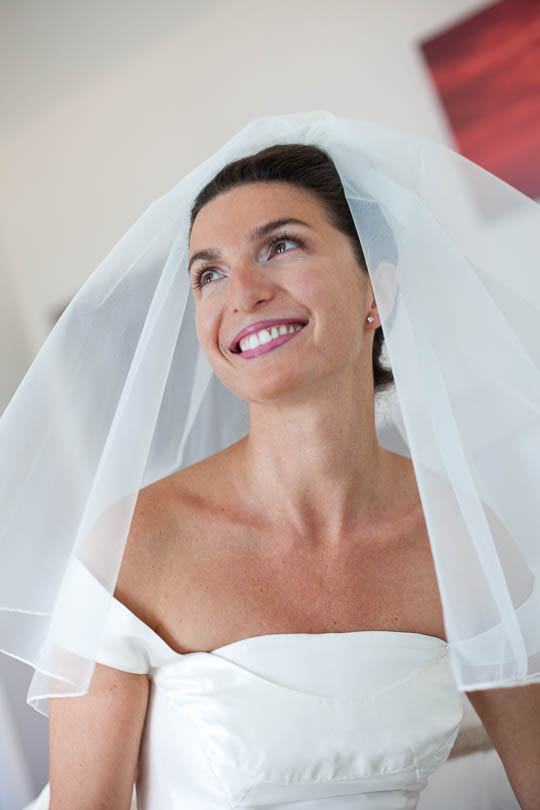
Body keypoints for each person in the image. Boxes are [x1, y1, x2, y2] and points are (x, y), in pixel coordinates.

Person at [3, 112, 540, 809]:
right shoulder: (132, 547)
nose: (243, 293)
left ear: (377, 292)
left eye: (281, 245)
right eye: (209, 274)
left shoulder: (464, 539)